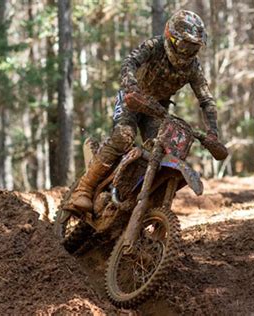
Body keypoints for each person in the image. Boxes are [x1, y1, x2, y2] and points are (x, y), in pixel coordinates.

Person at [64, 10, 219, 213]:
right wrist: (132, 87)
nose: (187, 52)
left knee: (162, 151)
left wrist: (212, 132)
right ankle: (84, 189)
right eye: (184, 44)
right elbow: (130, 62)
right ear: (170, 37)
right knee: (123, 137)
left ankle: (139, 200)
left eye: (193, 47)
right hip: (132, 99)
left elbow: (206, 99)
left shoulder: (193, 68)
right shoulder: (154, 47)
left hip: (157, 110)